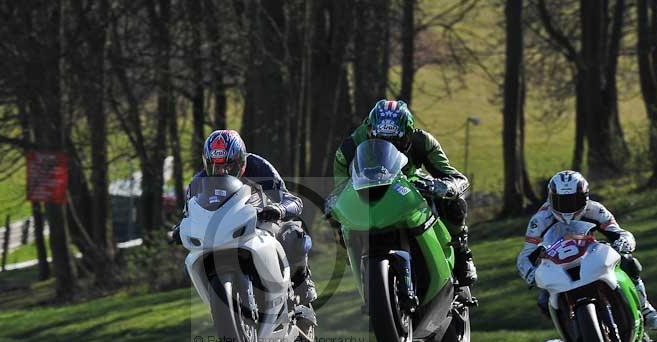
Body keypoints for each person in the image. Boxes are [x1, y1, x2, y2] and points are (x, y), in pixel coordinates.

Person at [331, 99, 477, 286]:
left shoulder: (423, 141)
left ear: (409, 134)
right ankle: (362, 269)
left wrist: (446, 187)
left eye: (397, 142)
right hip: (367, 188)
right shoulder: (349, 148)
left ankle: (462, 252)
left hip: (409, 184)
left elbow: (454, 176)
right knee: (342, 224)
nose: (389, 146)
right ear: (370, 132)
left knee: (454, 203)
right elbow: (339, 187)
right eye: (381, 141)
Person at [171, 130, 317, 305]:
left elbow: (292, 200)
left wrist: (278, 209)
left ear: (241, 160)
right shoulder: (198, 182)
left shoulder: (258, 166)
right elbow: (189, 213)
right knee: (190, 264)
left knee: (294, 234)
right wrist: (181, 229)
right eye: (215, 166)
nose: (221, 171)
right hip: (221, 232)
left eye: (227, 166)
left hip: (262, 223)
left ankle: (302, 282)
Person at [516, 170, 657, 330]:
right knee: (543, 301)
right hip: (558, 266)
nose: (568, 207)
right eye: (562, 201)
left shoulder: (595, 210)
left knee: (629, 262)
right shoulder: (539, 220)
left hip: (591, 257)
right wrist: (532, 274)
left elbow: (619, 232)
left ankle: (645, 310)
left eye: (574, 201)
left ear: (585, 197)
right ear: (551, 198)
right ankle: (572, 332)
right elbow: (525, 257)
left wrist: (624, 242)